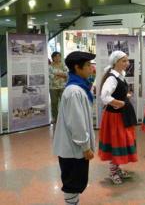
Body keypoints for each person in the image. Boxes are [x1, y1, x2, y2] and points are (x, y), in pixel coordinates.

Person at [53, 51, 96, 205]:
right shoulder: (74, 91)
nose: (92, 68)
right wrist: (85, 147)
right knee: (72, 183)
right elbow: (77, 123)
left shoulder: (79, 87)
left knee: (76, 182)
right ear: (78, 68)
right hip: (73, 149)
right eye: (88, 65)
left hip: (74, 147)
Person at [98, 51, 138, 185]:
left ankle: (117, 169)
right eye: (124, 61)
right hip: (115, 116)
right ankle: (113, 172)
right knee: (116, 142)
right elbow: (104, 97)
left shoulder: (120, 75)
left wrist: (125, 96)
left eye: (127, 61)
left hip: (121, 114)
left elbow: (115, 92)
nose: (127, 63)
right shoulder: (112, 78)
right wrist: (119, 102)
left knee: (121, 141)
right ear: (115, 62)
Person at [49, 51, 68, 124]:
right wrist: (61, 74)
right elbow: (51, 76)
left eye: (59, 56)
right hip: (53, 87)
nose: (58, 58)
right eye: (56, 57)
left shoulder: (63, 65)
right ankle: (55, 118)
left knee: (64, 102)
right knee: (54, 103)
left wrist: (57, 74)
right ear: (53, 58)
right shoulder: (50, 66)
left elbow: (67, 74)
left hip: (62, 86)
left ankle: (64, 118)